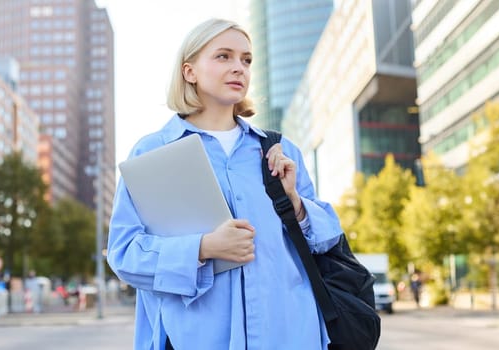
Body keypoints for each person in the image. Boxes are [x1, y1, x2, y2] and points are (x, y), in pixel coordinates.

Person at [107, 18, 344, 350]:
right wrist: (203, 248)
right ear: (189, 71)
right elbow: (124, 254)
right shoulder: (153, 152)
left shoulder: (279, 150)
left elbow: (328, 238)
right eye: (224, 56)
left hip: (290, 335)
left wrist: (296, 202)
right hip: (194, 339)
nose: (239, 68)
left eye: (246, 60)